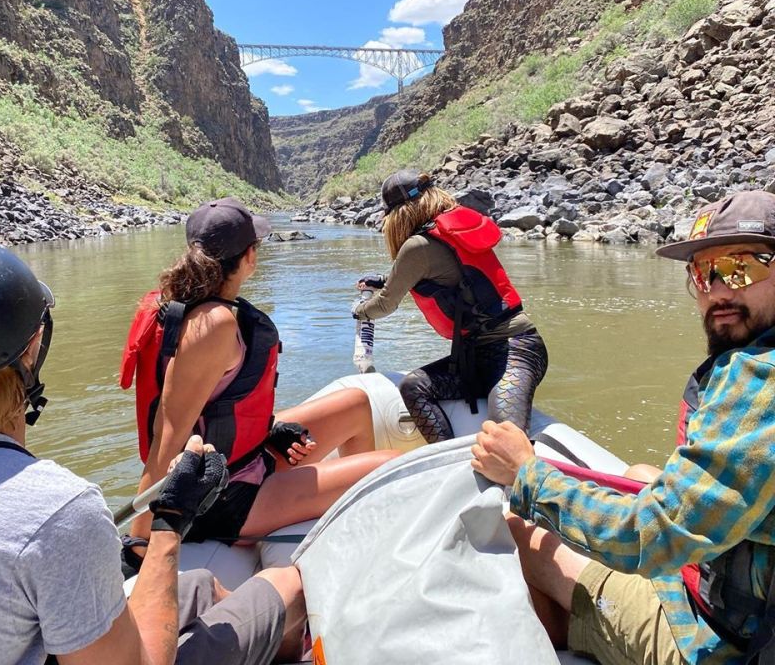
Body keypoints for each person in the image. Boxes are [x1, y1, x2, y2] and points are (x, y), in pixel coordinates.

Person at [471, 190, 775, 664]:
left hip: (724, 645)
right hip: (748, 582)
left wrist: (526, 473)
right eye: (703, 271)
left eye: (741, 267)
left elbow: (651, 536)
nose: (717, 290)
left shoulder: (759, 380)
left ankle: (564, 633)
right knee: (638, 471)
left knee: (515, 528)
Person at [0, 240, 307, 665]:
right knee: (289, 587)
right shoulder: (56, 511)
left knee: (201, 585)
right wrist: (170, 522)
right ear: (29, 351)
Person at [124, 197, 399, 551]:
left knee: (356, 403)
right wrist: (141, 538)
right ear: (249, 258)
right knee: (392, 467)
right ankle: (354, 539)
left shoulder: (204, 307)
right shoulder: (213, 325)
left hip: (244, 461)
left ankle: (346, 520)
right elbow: (168, 435)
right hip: (223, 497)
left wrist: (269, 430)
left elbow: (214, 408)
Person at [352, 169, 548, 443]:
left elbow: (384, 304)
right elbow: (452, 275)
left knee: (506, 440)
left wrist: (359, 311)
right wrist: (385, 279)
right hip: (478, 356)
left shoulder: (417, 246)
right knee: (414, 386)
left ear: (397, 215)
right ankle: (447, 458)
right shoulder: (448, 233)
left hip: (516, 350)